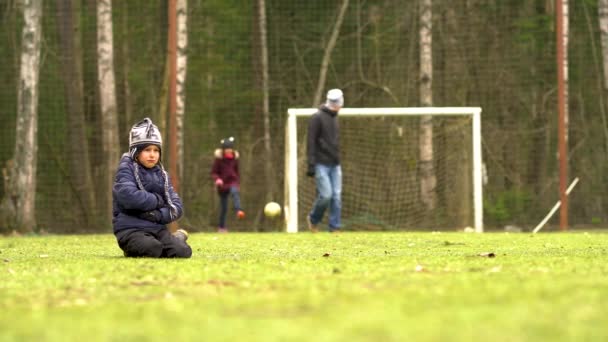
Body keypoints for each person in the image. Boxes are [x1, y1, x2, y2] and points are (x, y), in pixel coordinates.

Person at [112, 118, 192, 258]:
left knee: (182, 251)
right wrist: (158, 200)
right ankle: (132, 247)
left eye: (156, 150)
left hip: (156, 228)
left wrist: (158, 215)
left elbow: (176, 206)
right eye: (147, 150)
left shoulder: (162, 174)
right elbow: (128, 196)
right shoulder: (126, 169)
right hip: (130, 229)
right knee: (152, 248)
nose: (152, 154)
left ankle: (177, 239)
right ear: (136, 152)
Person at [306, 88, 344, 233]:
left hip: (335, 164)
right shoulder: (317, 118)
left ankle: (334, 227)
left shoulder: (335, 117)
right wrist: (311, 164)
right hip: (321, 164)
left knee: (336, 196)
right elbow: (311, 142)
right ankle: (313, 219)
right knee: (326, 195)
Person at [211, 137, 245, 233]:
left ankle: (239, 210)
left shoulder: (235, 159)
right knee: (224, 208)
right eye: (226, 149)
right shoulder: (219, 160)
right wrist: (217, 179)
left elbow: (237, 172)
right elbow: (214, 172)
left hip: (232, 182)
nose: (228, 151)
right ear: (223, 150)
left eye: (230, 149)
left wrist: (237, 182)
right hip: (222, 186)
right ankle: (222, 227)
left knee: (235, 192)